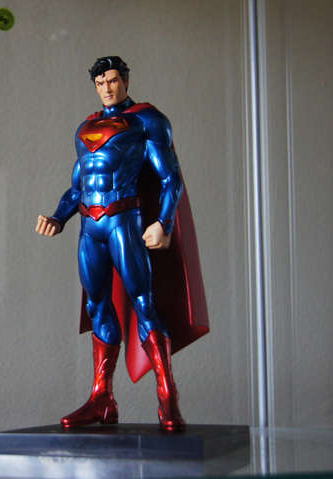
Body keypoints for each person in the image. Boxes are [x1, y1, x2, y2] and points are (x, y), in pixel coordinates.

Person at [35, 56, 208, 431]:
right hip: (90, 227)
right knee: (97, 303)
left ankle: (167, 397)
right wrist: (58, 217)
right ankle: (102, 399)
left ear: (125, 81)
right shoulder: (85, 128)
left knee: (144, 302)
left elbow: (170, 179)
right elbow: (78, 186)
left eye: (113, 80)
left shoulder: (146, 120)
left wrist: (163, 222)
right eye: (101, 83)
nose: (107, 88)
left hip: (123, 222)